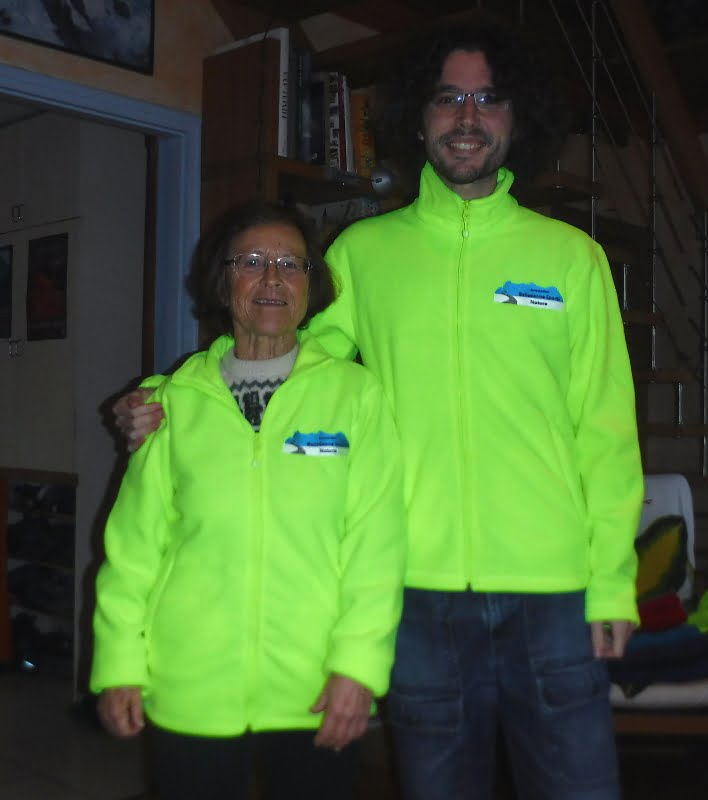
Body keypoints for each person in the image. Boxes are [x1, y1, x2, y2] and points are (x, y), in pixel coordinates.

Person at [113, 21, 643, 800]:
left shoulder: (571, 259)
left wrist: (612, 581)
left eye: (488, 99)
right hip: (417, 597)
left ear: (517, 117)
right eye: (448, 99)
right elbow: (280, 351)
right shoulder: (364, 252)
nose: (467, 117)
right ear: (418, 118)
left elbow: (606, 427)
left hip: (556, 594)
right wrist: (165, 402)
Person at [92, 200, 407, 800]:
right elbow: (133, 551)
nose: (272, 279)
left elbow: (378, 547)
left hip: (316, 688)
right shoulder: (172, 403)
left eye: (291, 264)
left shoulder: (355, 396)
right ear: (223, 280)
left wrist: (359, 668)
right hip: (189, 687)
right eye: (252, 262)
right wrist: (119, 665)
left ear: (311, 286)